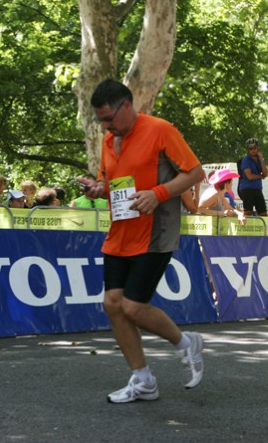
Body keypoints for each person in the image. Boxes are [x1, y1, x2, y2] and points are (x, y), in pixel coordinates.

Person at [79, 79, 205, 404]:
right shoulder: (110, 140)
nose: (105, 126)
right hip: (120, 232)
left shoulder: (161, 129)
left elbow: (195, 173)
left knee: (132, 307)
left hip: (154, 233)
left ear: (126, 106)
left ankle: (185, 343)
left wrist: (158, 193)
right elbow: (112, 181)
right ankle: (143, 380)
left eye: (108, 118)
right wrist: (98, 188)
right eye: (100, 121)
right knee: (112, 304)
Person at [237, 138, 268, 216]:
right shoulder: (246, 160)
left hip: (258, 189)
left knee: (263, 213)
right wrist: (261, 176)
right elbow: (250, 176)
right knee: (248, 212)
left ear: (258, 148)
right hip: (247, 188)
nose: (253, 150)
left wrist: (261, 159)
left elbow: (266, 173)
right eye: (250, 148)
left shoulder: (260, 159)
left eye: (254, 148)